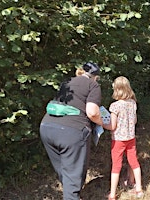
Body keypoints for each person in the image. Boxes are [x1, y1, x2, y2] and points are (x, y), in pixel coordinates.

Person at [40, 62, 103, 200]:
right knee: (73, 174)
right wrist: (101, 122)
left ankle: (71, 194)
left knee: (64, 170)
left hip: (47, 127)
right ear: (95, 77)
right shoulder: (93, 85)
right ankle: (72, 196)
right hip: (71, 132)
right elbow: (92, 112)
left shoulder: (66, 82)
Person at [103, 76, 143, 200]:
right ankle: (139, 189)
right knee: (134, 161)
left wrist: (101, 123)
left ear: (116, 89)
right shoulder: (132, 103)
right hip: (131, 138)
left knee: (116, 165)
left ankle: (112, 194)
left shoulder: (115, 106)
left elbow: (112, 125)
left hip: (118, 139)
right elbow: (135, 120)